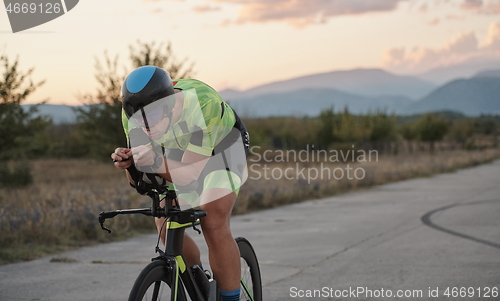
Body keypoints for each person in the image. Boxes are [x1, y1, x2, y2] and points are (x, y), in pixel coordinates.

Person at [111, 65, 249, 301]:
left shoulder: (201, 103)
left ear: (169, 103)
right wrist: (129, 164)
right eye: (137, 118)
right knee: (164, 221)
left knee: (213, 220)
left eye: (153, 116)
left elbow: (191, 176)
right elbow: (141, 182)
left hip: (223, 149)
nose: (145, 125)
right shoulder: (134, 114)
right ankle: (197, 282)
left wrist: (155, 160)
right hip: (179, 151)